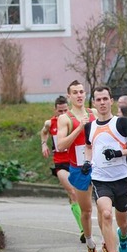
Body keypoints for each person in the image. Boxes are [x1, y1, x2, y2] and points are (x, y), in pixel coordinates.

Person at [84, 86, 127, 252]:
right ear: (93, 103)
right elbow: (88, 146)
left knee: (123, 222)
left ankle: (123, 236)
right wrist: (87, 162)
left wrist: (120, 152)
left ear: (111, 101)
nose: (102, 103)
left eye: (105, 99)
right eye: (98, 99)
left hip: (121, 179)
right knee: (106, 214)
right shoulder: (89, 127)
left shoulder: (122, 123)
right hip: (100, 180)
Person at [56, 80, 102, 252]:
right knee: (87, 210)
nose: (79, 95)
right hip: (78, 168)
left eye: (81, 91)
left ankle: (107, 243)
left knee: (103, 207)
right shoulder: (65, 118)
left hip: (97, 166)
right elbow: (61, 146)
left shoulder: (94, 113)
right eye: (75, 92)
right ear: (69, 96)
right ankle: (90, 242)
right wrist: (79, 128)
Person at [40, 96, 85, 241]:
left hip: (75, 161)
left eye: (65, 110)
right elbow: (44, 132)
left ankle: (84, 221)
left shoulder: (72, 121)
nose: (63, 113)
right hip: (61, 163)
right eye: (60, 111)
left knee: (80, 195)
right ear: (55, 110)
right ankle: (83, 230)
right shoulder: (50, 123)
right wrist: (44, 144)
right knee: (72, 192)